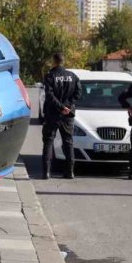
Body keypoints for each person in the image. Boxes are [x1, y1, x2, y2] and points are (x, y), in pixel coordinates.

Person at [41, 52, 82, 180]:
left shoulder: (50, 76)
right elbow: (78, 93)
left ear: (54, 61)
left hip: (52, 114)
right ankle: (70, 172)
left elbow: (49, 95)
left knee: (48, 142)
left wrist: (60, 107)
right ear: (63, 62)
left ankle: (46, 173)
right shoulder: (73, 76)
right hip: (67, 115)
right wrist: (67, 107)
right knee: (68, 142)